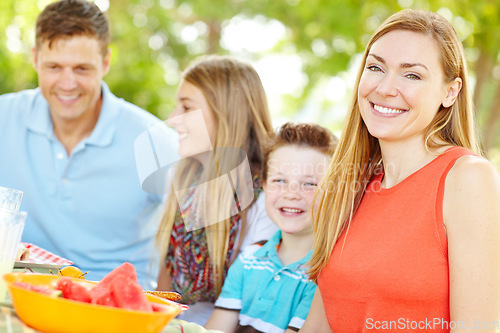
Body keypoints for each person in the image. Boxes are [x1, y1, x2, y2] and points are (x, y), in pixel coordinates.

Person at [300, 8, 500, 333]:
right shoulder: (343, 188)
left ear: (450, 92)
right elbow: (321, 324)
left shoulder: (467, 178)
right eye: (376, 67)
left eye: (412, 75)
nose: (385, 88)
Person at [0, 0, 177, 289]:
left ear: (105, 62)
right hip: (21, 294)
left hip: (114, 307)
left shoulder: (153, 140)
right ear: (35, 59)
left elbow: (212, 225)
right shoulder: (4, 117)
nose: (67, 83)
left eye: (82, 69)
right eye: (54, 67)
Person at [156, 55, 279, 324]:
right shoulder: (178, 176)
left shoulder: (269, 198)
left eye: (186, 107)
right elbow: (164, 288)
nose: (172, 118)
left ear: (226, 114)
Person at [204, 122, 337, 333]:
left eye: (310, 184)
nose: (291, 193)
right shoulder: (250, 258)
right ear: (264, 185)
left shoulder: (326, 275)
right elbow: (216, 329)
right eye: (280, 180)